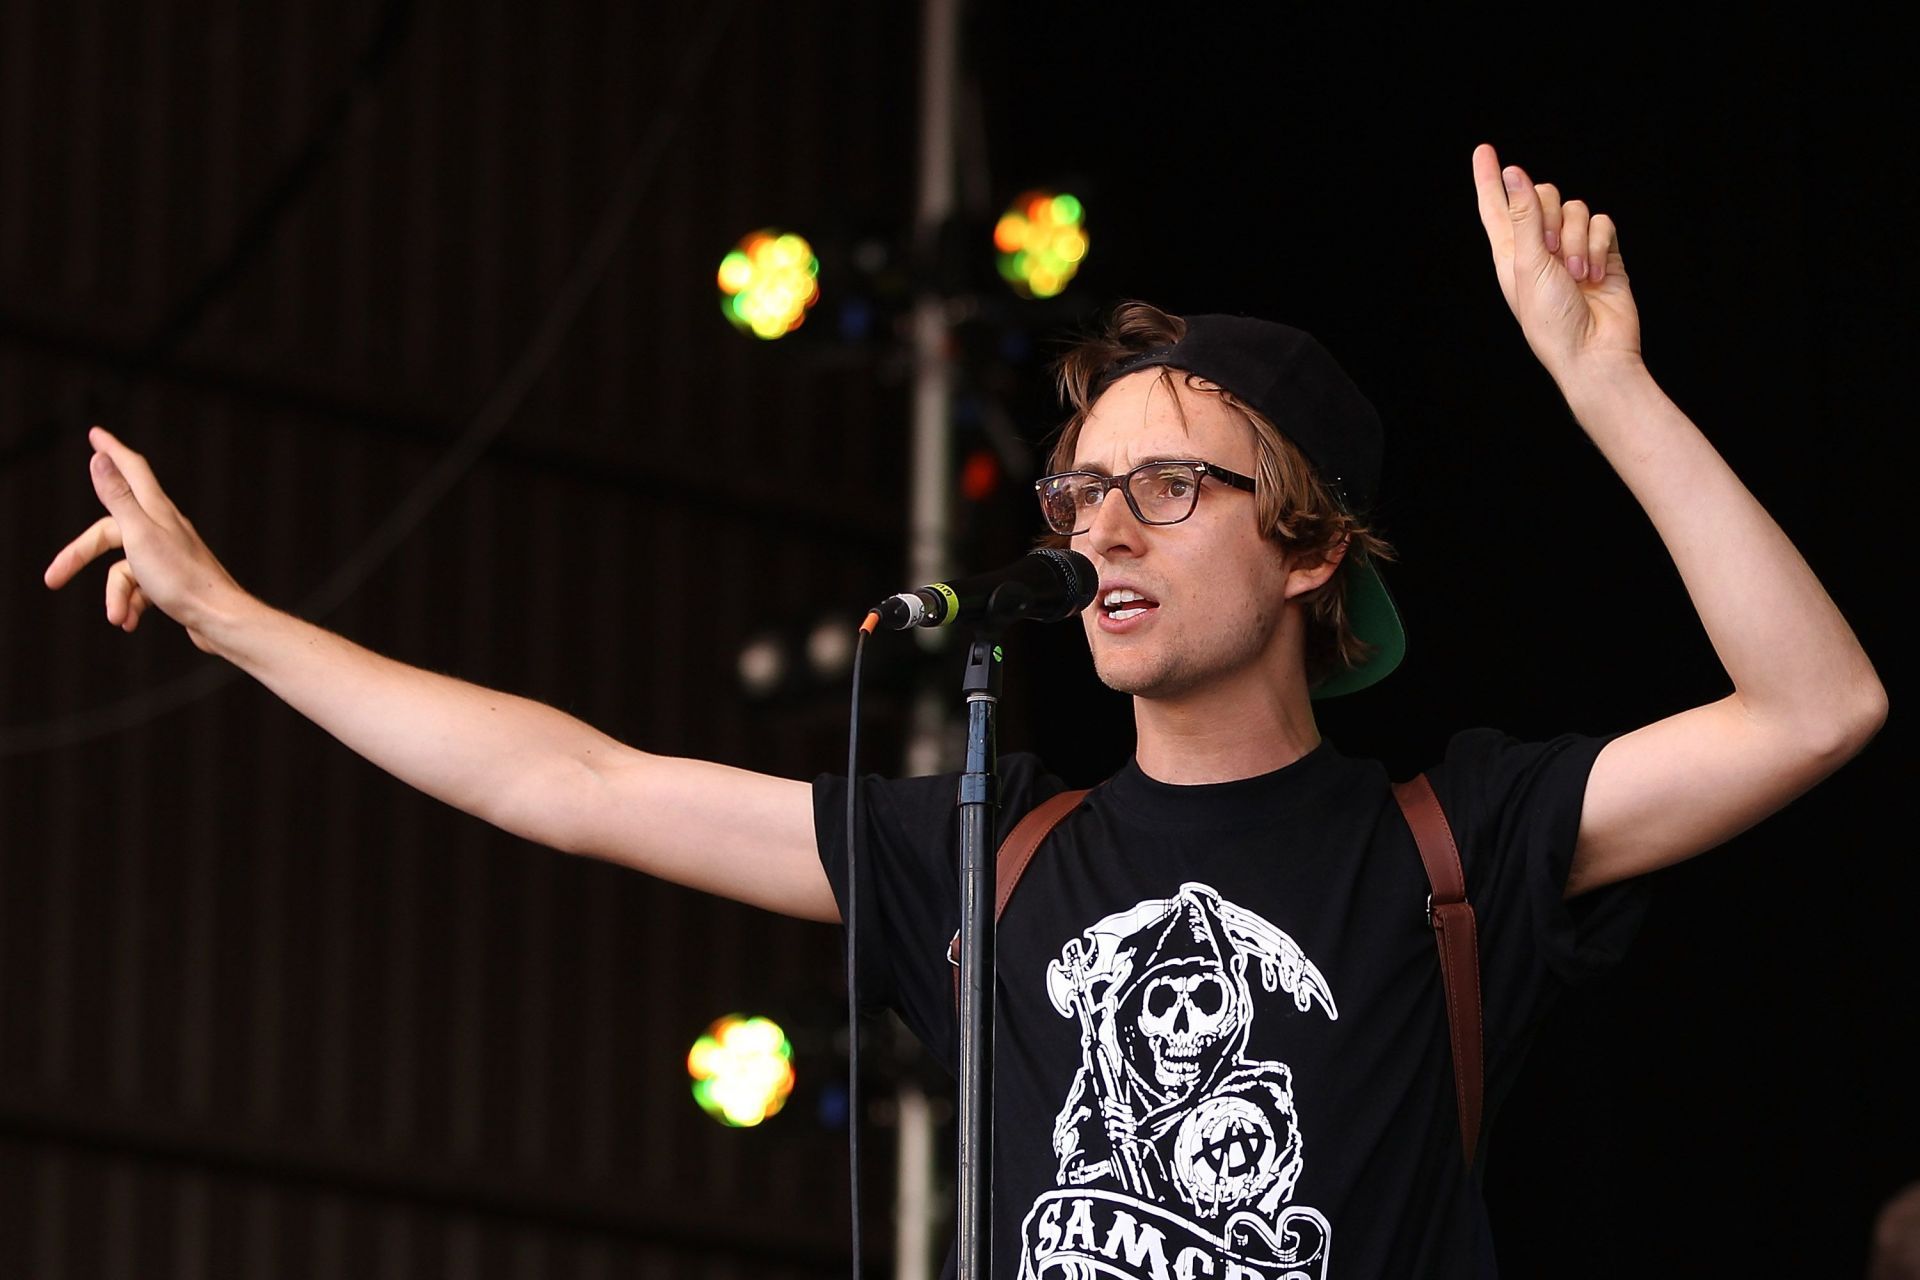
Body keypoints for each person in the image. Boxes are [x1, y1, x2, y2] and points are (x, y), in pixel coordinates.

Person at [42, 144, 1884, 1277]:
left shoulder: (1452, 843)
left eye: (1170, 489)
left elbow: (1816, 707)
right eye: (1082, 492)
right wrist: (240, 623)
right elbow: (570, 781)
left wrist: (1604, 379)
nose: (1102, 531)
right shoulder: (996, 850)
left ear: (1313, 550)